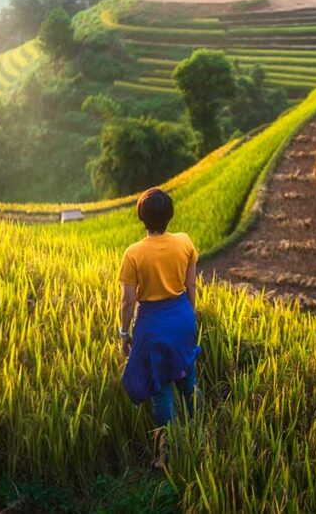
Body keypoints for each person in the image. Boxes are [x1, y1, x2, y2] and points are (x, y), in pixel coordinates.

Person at [118, 188, 200, 470]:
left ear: (142, 217)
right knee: (188, 380)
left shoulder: (134, 253)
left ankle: (166, 455)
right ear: (170, 215)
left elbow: (128, 301)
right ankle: (195, 436)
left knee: (162, 390)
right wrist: (189, 318)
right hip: (183, 318)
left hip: (152, 325)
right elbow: (191, 286)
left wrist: (123, 333)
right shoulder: (185, 242)